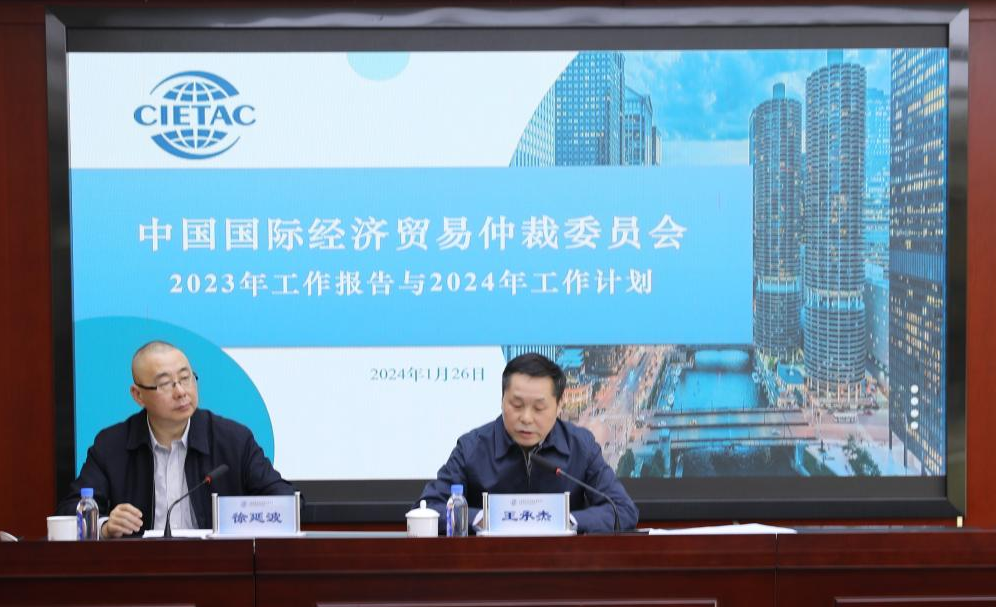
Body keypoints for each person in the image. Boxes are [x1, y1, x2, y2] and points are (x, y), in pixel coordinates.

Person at [56, 341, 297, 538]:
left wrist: (243, 518)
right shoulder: (112, 445)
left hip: (216, 566)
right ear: (138, 395)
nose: (181, 391)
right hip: (139, 569)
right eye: (164, 384)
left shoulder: (233, 440)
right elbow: (70, 510)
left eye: (185, 378)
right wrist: (105, 526)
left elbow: (285, 499)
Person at [417, 352, 638, 533]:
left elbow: (623, 510)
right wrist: (482, 519)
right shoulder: (472, 447)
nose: (526, 418)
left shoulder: (580, 446)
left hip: (563, 565)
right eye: (516, 405)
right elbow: (428, 509)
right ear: (502, 400)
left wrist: (566, 521)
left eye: (539, 408)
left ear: (559, 405)